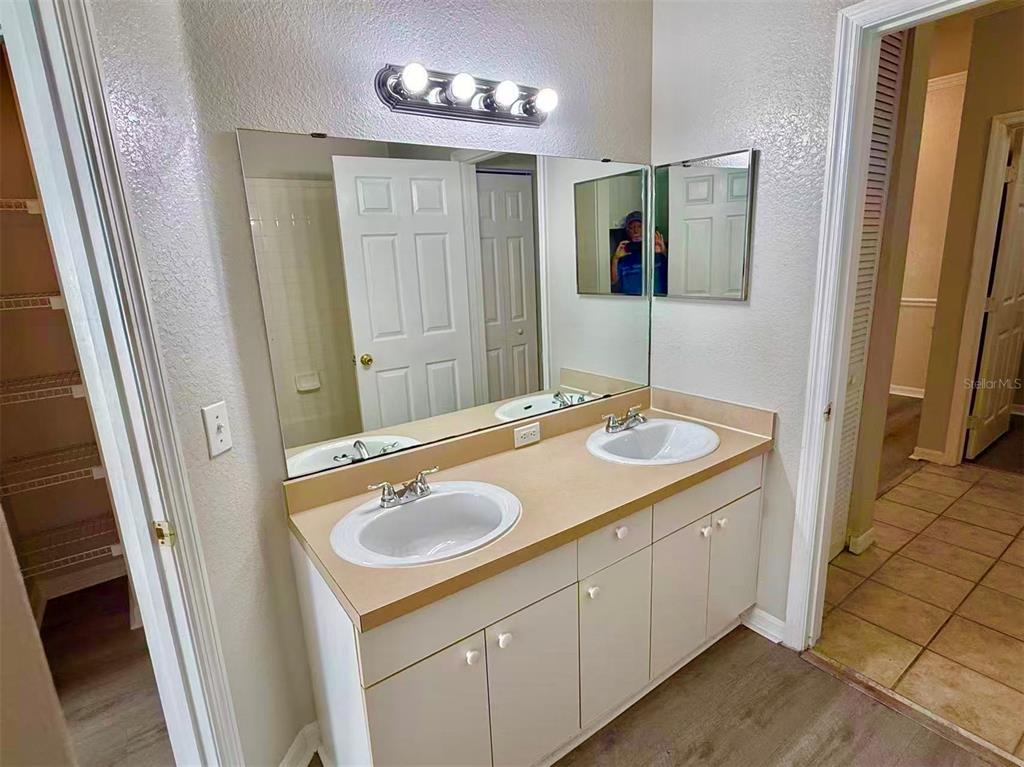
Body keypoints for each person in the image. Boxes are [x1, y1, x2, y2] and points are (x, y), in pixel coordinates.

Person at [610, 211, 667, 295]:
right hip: (631, 301)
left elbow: (675, 275)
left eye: (640, 226)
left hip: (656, 300)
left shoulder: (656, 248)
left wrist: (663, 252)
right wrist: (615, 259)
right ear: (627, 231)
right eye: (631, 227)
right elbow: (613, 280)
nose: (636, 231)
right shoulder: (623, 252)